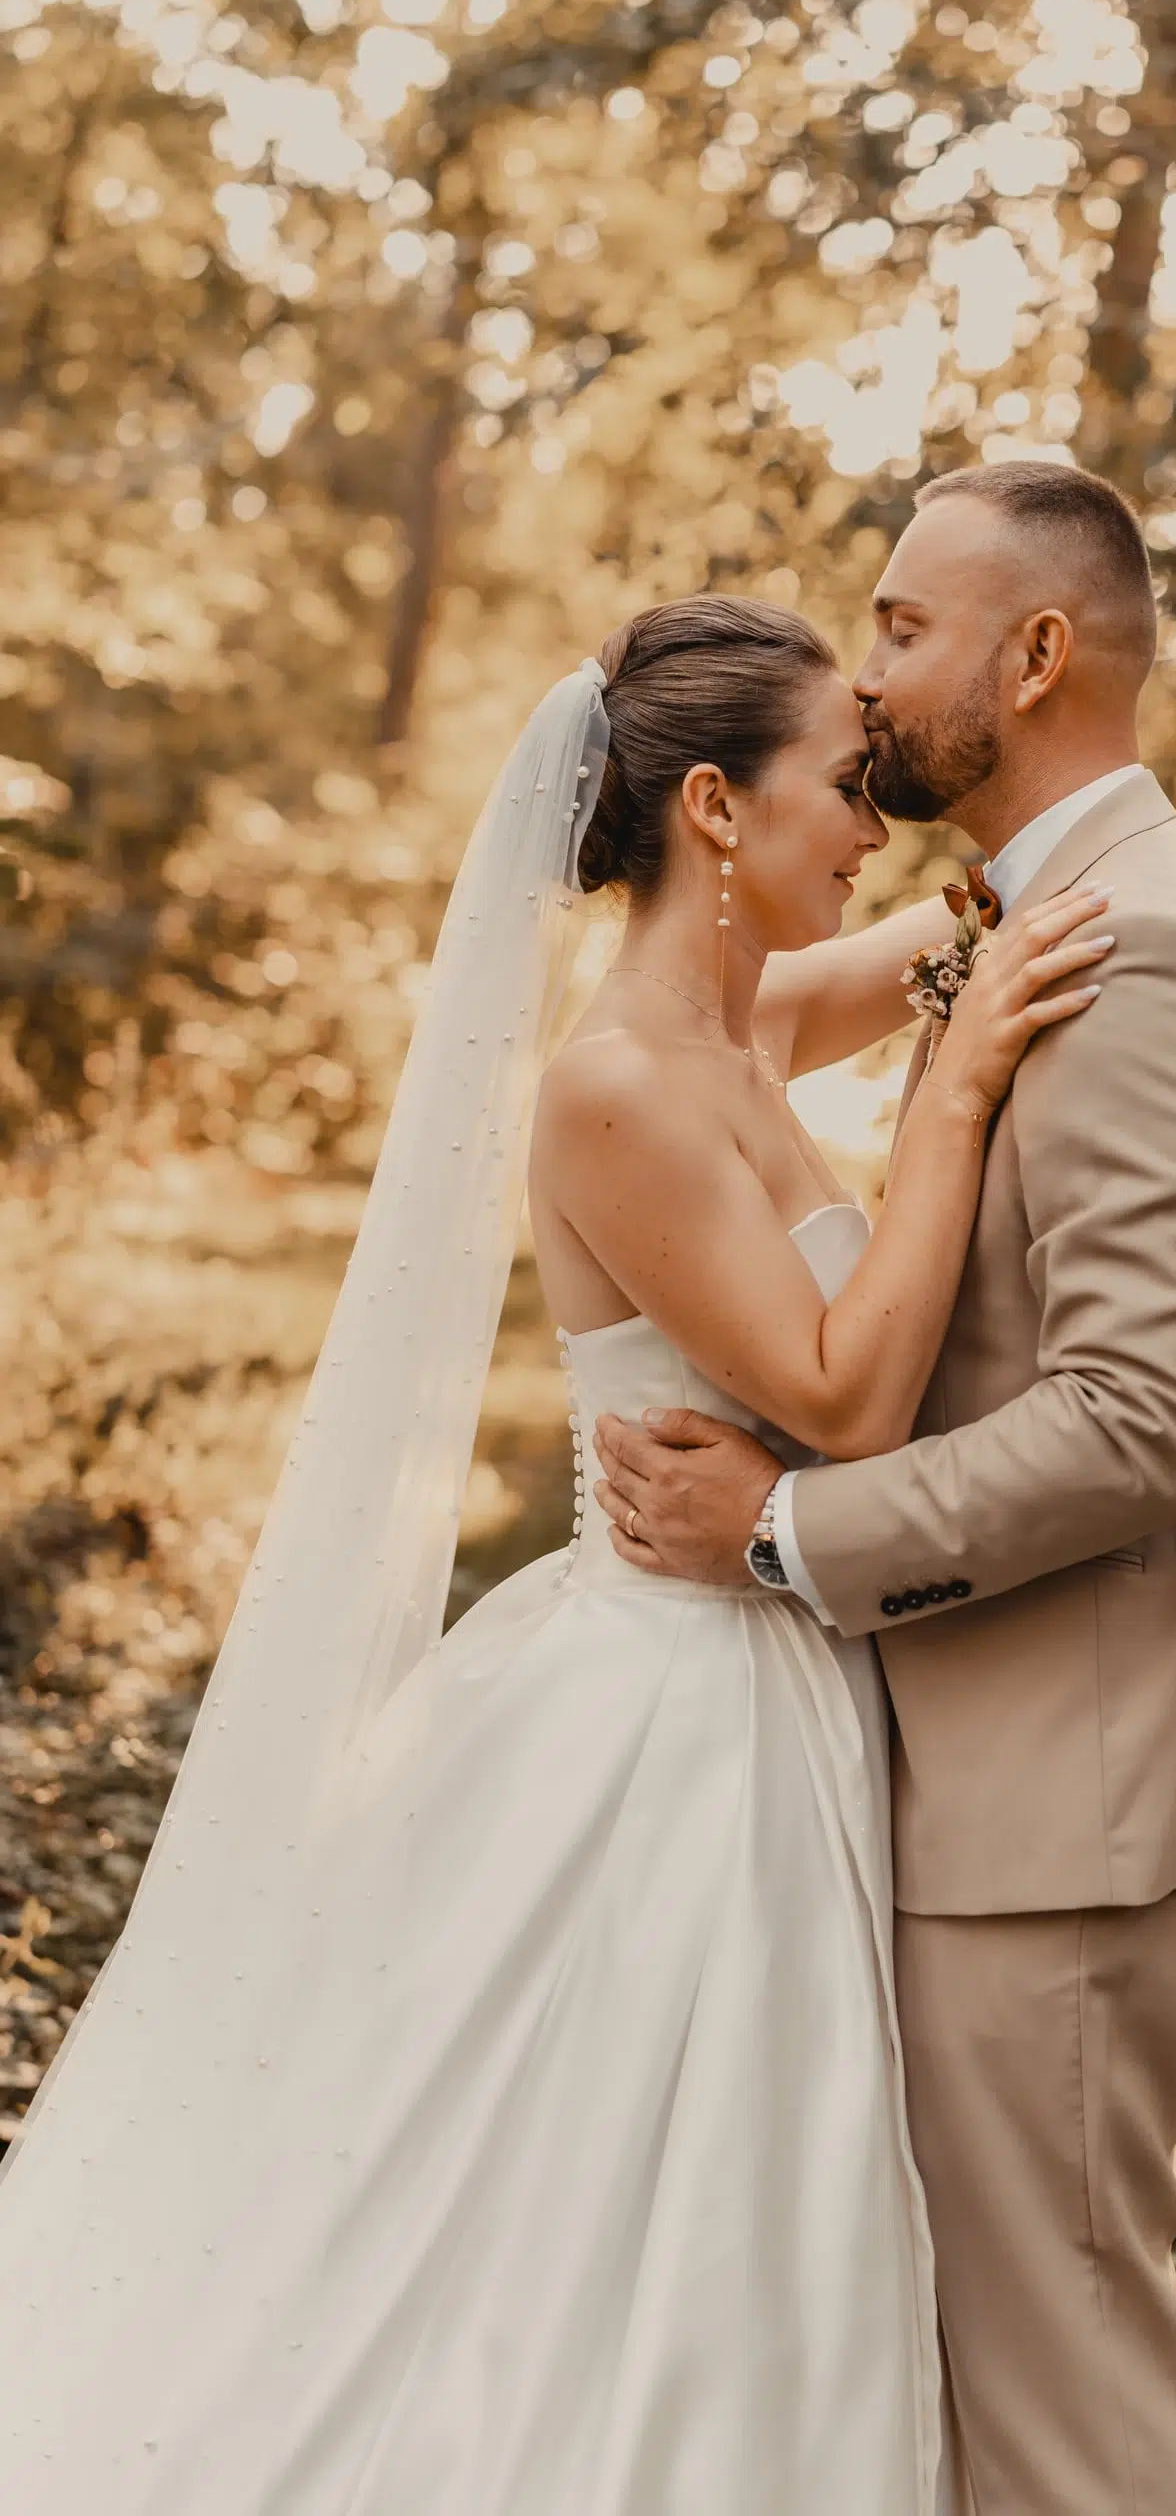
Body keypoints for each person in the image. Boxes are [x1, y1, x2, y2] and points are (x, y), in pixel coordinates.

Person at [0, 595, 1111, 2512]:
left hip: (773, 1665)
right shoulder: (615, 1088)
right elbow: (844, 1397)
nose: (871, 819)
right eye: (839, 783)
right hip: (674, 1724)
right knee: (627, 2195)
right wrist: (953, 1096)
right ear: (708, 806)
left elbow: (970, 926)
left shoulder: (744, 1019)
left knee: (738, 2206)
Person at [595, 464, 1176, 2516]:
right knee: (972, 2362)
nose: (867, 679)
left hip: (1080, 1778)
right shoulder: (1032, 921)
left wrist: (773, 1530)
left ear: (1037, 653)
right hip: (1011, 1758)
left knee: (1059, 2400)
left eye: (904, 626)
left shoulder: (1148, 945)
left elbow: (1141, 1415)